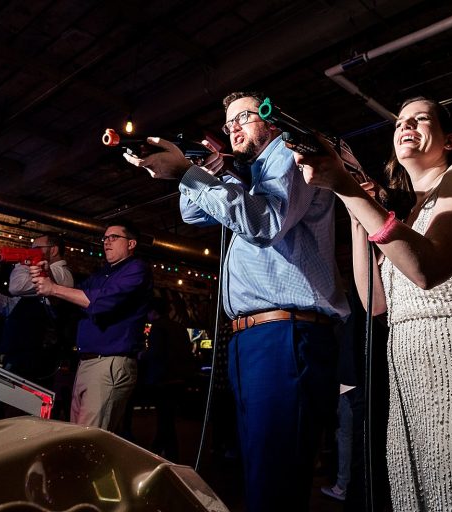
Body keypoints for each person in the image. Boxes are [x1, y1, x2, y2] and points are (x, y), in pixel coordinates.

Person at [295, 97, 452, 510]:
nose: (406, 125)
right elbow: (374, 301)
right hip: (411, 380)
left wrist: (349, 189)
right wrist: (357, 210)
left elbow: (428, 267)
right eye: (399, 123)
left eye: (420, 119)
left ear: (449, 139)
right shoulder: (406, 217)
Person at [123, 91, 350, 512]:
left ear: (271, 119)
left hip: (287, 331)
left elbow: (265, 222)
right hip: (253, 336)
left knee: (276, 474)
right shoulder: (246, 173)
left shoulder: (287, 152)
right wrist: (205, 171)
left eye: (244, 117)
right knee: (258, 467)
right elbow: (193, 215)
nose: (234, 128)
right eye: (229, 123)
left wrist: (190, 173)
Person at [30, 220, 152, 433]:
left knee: (89, 439)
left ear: (131, 244)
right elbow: (72, 301)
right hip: (88, 362)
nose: (107, 242)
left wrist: (53, 289)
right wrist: (47, 277)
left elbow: (101, 302)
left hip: (110, 364)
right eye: (105, 238)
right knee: (79, 433)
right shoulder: (101, 274)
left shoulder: (136, 269)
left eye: (114, 237)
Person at [0, 233, 74, 385]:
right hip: (20, 354)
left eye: (36, 249)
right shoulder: (43, 274)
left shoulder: (61, 274)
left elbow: (16, 287)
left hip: (34, 359)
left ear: (53, 250)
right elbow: (9, 306)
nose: (32, 251)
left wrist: (23, 261)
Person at [140, 296, 196, 461]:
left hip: (163, 380)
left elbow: (155, 353)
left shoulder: (157, 327)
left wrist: (142, 354)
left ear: (153, 312)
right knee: (167, 419)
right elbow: (187, 352)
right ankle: (164, 453)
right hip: (179, 379)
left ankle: (164, 455)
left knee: (165, 420)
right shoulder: (179, 327)